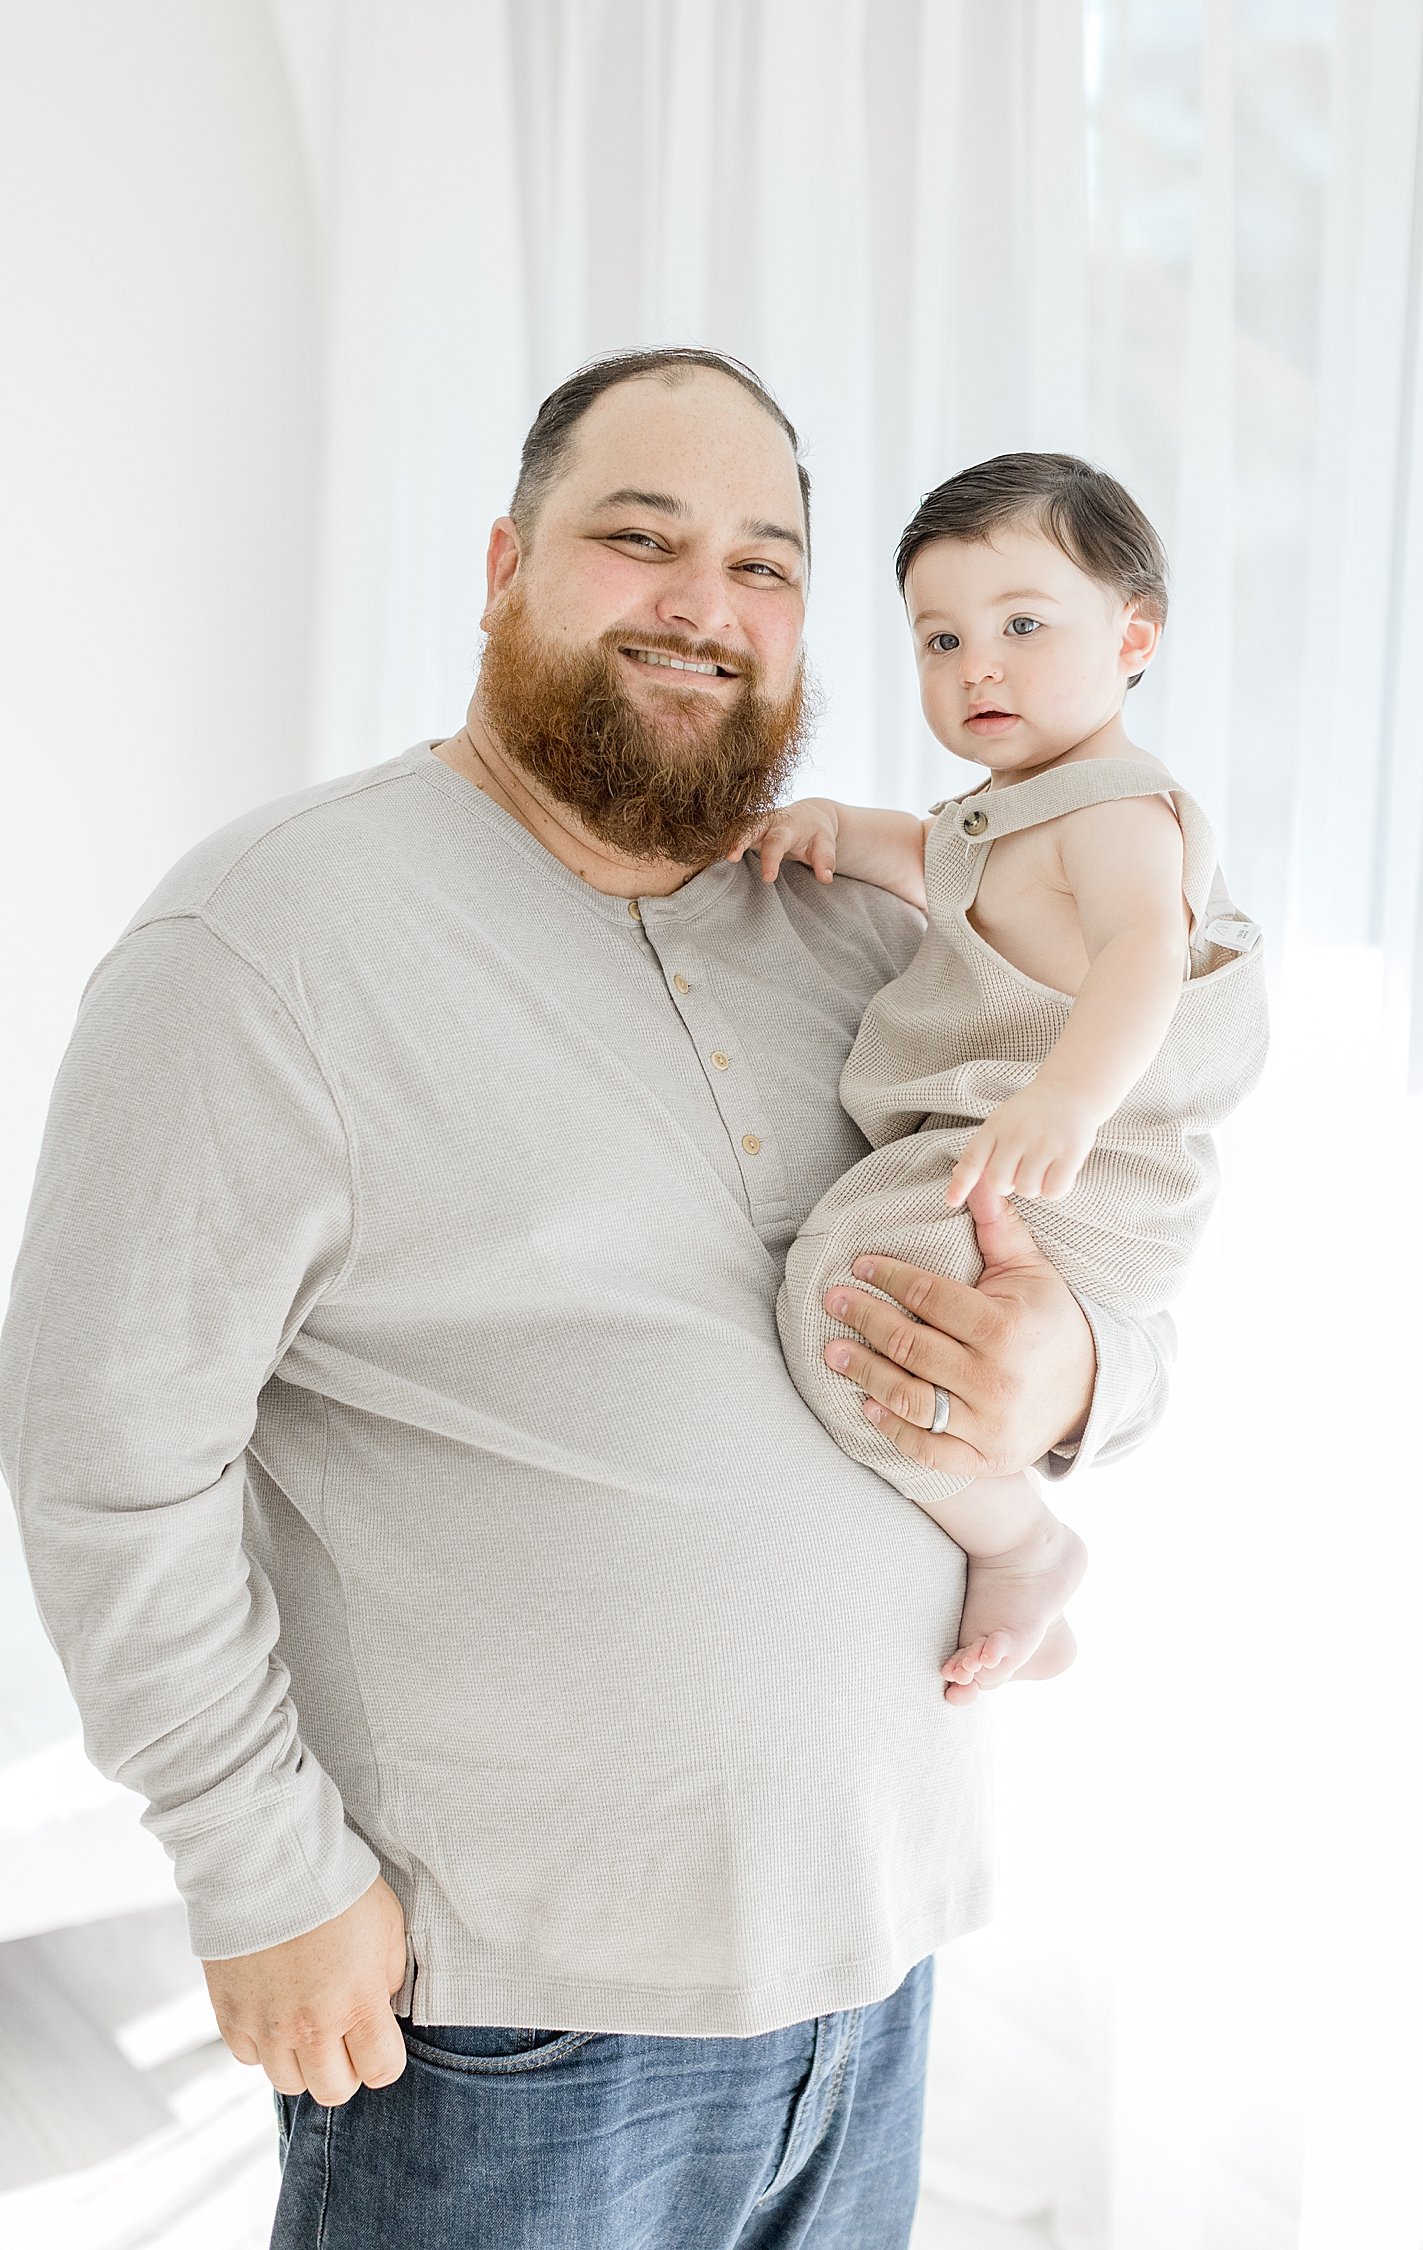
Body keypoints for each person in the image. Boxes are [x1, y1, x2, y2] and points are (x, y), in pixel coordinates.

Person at [0, 351, 1172, 2249]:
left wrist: (1082, 1374)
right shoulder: (260, 943)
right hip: (504, 2034)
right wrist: (260, 1877)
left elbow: (1129, 1223)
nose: (707, 604)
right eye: (641, 538)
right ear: (501, 564)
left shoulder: (885, 922)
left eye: (767, 565)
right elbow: (101, 1461)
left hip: (876, 1983)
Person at [737, 454, 1268, 1707]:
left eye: (1023, 626)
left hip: (1086, 1170)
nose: (976, 665)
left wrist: (1068, 1098)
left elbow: (1143, 949)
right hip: (1022, 1149)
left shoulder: (1122, 815)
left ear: (1135, 636)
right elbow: (944, 866)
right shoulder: (1010, 812)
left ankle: (1022, 1544)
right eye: (940, 638)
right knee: (869, 1299)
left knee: (852, 1303)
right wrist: (837, 830)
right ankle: (1002, 1538)